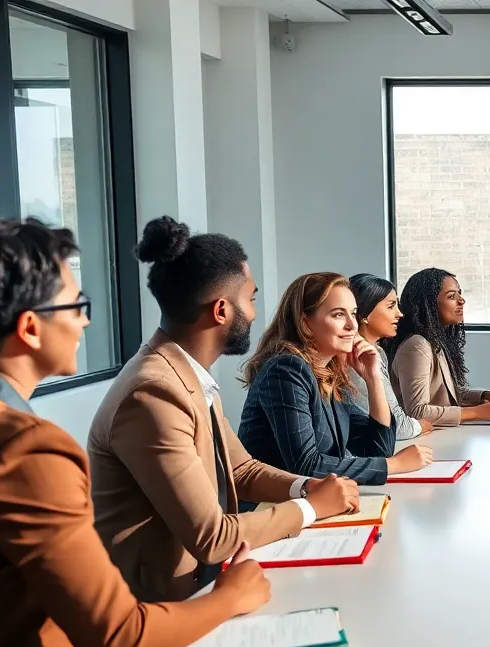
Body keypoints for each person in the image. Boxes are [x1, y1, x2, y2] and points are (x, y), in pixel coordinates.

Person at [0, 217, 270, 647]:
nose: (85, 323)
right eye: (77, 306)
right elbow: (121, 642)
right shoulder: (23, 449)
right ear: (30, 326)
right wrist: (231, 597)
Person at [88, 217, 361, 602]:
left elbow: (241, 469)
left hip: (208, 583)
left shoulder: (189, 375)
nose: (253, 313)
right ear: (221, 310)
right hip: (163, 607)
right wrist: (309, 508)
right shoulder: (153, 393)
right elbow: (212, 538)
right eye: (250, 299)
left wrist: (305, 486)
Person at [238, 272, 432, 485]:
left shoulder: (327, 373)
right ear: (305, 323)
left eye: (353, 313)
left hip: (312, 505)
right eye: (339, 314)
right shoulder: (287, 369)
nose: (352, 325)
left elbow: (378, 448)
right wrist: (393, 465)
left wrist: (373, 379)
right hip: (269, 509)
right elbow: (306, 465)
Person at [388, 267, 490, 426]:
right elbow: (416, 412)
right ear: (429, 304)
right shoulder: (416, 346)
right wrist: (475, 412)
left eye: (460, 293)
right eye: (451, 296)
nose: (462, 300)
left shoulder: (435, 340)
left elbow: (449, 394)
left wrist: (488, 396)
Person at [346, 273, 431, 442]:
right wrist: (420, 425)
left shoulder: (377, 351)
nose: (400, 314)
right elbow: (399, 427)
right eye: (391, 306)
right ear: (364, 313)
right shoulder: (355, 359)